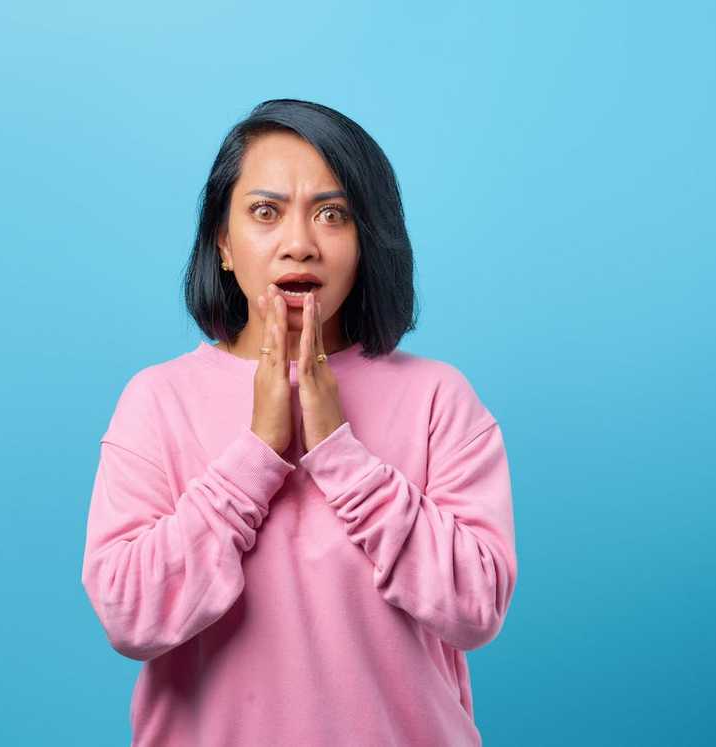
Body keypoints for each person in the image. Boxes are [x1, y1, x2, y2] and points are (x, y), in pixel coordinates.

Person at [80, 98, 518, 746]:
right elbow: (129, 613)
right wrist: (257, 452)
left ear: (368, 240)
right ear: (223, 244)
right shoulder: (157, 400)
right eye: (266, 211)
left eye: (332, 214)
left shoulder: (439, 399)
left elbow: (476, 607)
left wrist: (343, 453)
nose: (299, 243)